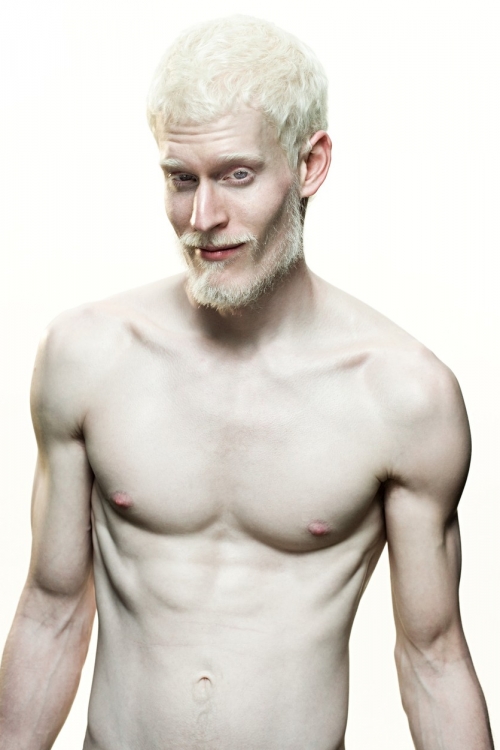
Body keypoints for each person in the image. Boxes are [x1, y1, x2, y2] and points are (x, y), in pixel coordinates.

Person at [0, 14, 494, 750]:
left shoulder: (402, 395)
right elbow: (51, 610)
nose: (203, 218)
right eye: (181, 179)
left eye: (237, 175)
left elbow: (433, 658)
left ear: (310, 164)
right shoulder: (88, 356)